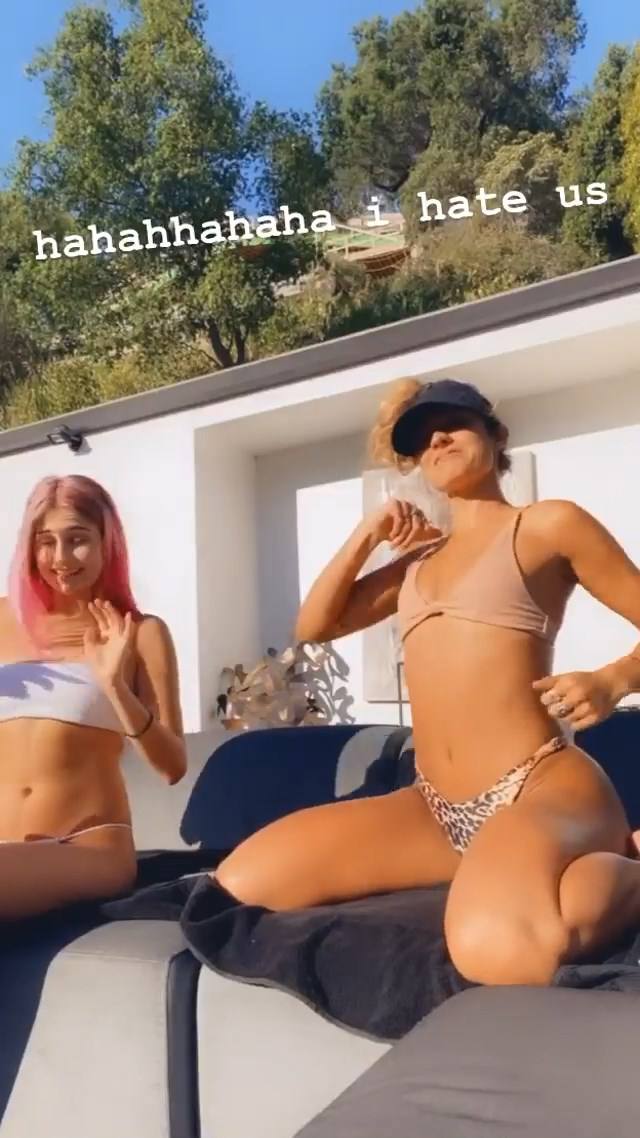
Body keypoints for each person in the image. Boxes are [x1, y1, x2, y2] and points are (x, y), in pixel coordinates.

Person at [212, 377, 640, 987]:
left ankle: (626, 864)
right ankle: (509, 871)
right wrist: (370, 532)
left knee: (499, 950)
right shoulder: (417, 564)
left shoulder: (545, 525)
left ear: (496, 435)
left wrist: (614, 678)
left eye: (453, 424)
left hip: (539, 789)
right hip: (433, 808)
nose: (437, 440)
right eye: (422, 438)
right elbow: (314, 626)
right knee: (240, 884)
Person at [0, 474, 186, 920]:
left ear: (107, 542)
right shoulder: (2, 620)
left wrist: (115, 687)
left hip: (87, 848)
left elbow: (172, 767)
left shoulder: (140, 633)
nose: (61, 558)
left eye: (78, 539)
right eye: (46, 542)